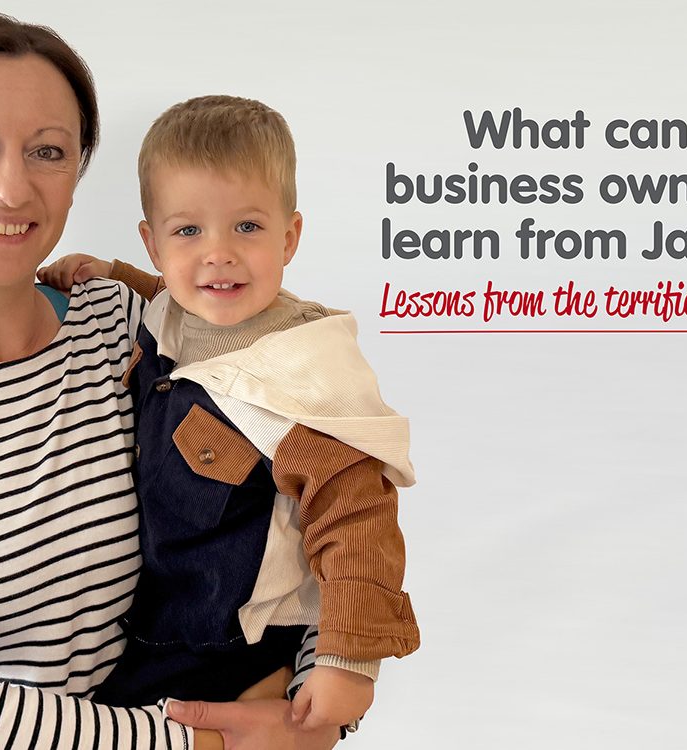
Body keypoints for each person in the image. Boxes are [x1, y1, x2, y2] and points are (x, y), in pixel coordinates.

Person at [0, 13, 337, 750]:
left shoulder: (131, 325)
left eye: (48, 151)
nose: (12, 187)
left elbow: (319, 497)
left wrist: (316, 707)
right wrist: (224, 744)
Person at [38, 96, 421, 734]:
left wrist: (349, 657)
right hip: (156, 622)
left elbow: (356, 513)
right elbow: (170, 296)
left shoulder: (300, 368)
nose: (218, 255)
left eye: (247, 227)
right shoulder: (173, 313)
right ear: (153, 242)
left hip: (237, 645)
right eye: (188, 231)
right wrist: (109, 274)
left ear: (290, 236)